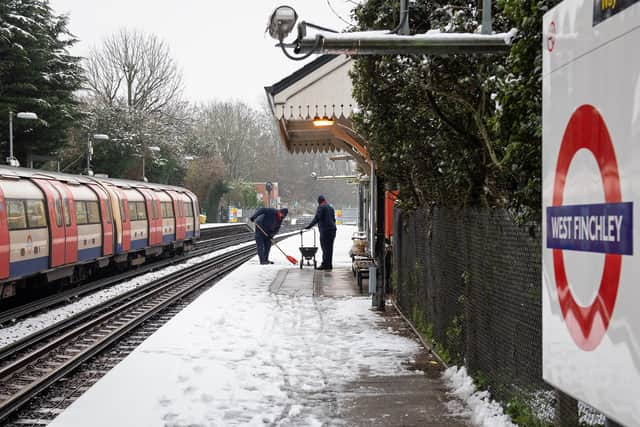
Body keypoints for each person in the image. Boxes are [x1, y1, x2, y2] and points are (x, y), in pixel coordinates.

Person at [305, 195, 337, 270]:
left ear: (319, 201)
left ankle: (324, 264)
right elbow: (333, 219)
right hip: (332, 230)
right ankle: (329, 264)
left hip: (325, 230)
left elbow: (317, 217)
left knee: (325, 248)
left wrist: (309, 226)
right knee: (330, 248)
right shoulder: (330, 207)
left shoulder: (321, 207)